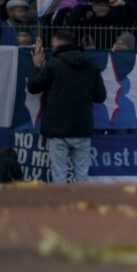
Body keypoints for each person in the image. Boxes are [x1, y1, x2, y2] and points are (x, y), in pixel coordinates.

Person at [25, 31, 107, 184]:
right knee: (82, 178)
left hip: (58, 131)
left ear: (56, 44)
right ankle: (80, 208)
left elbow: (33, 87)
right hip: (82, 129)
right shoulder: (91, 63)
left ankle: (61, 208)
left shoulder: (53, 64)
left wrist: (36, 66)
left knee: (59, 177)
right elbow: (100, 97)